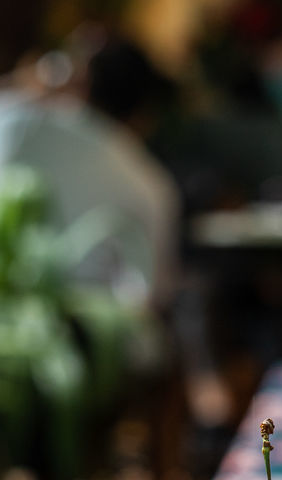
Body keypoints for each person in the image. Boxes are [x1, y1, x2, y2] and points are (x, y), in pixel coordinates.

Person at [0, 34, 180, 309]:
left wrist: (28, 83)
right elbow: (149, 300)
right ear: (145, 112)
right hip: (78, 340)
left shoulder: (18, 123)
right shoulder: (152, 186)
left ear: (80, 83)